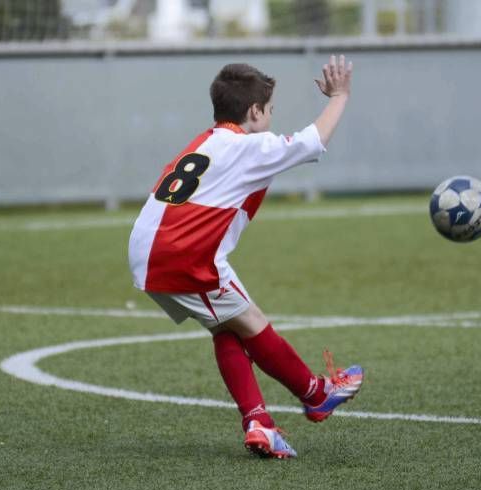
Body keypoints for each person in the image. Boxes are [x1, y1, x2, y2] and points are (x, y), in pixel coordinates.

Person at [128, 55, 362, 459]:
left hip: (149, 247)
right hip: (182, 254)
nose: (271, 119)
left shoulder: (206, 141)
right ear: (254, 111)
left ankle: (259, 422)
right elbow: (313, 141)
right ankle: (315, 394)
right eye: (269, 111)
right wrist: (339, 96)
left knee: (228, 327)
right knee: (251, 322)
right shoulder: (248, 147)